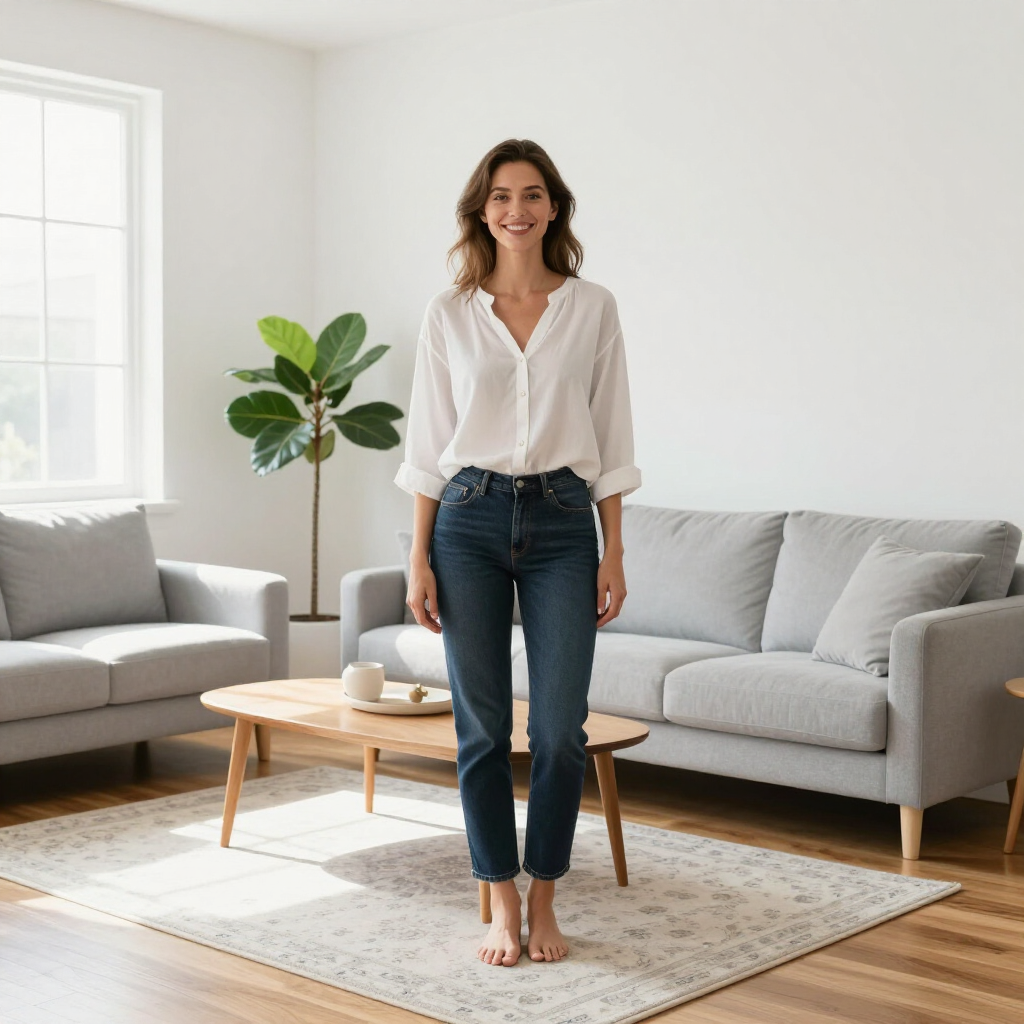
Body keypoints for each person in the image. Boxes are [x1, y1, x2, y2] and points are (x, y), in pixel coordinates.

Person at [393, 138, 641, 967]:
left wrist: (613, 550)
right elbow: (429, 445)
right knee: (483, 729)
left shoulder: (592, 306)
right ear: (481, 211)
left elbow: (611, 435)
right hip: (466, 518)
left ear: (553, 208)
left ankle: (545, 895)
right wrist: (417, 558)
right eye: (501, 197)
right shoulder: (448, 314)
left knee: (563, 728)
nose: (517, 210)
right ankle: (499, 900)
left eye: (532, 195)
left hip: (567, 521)